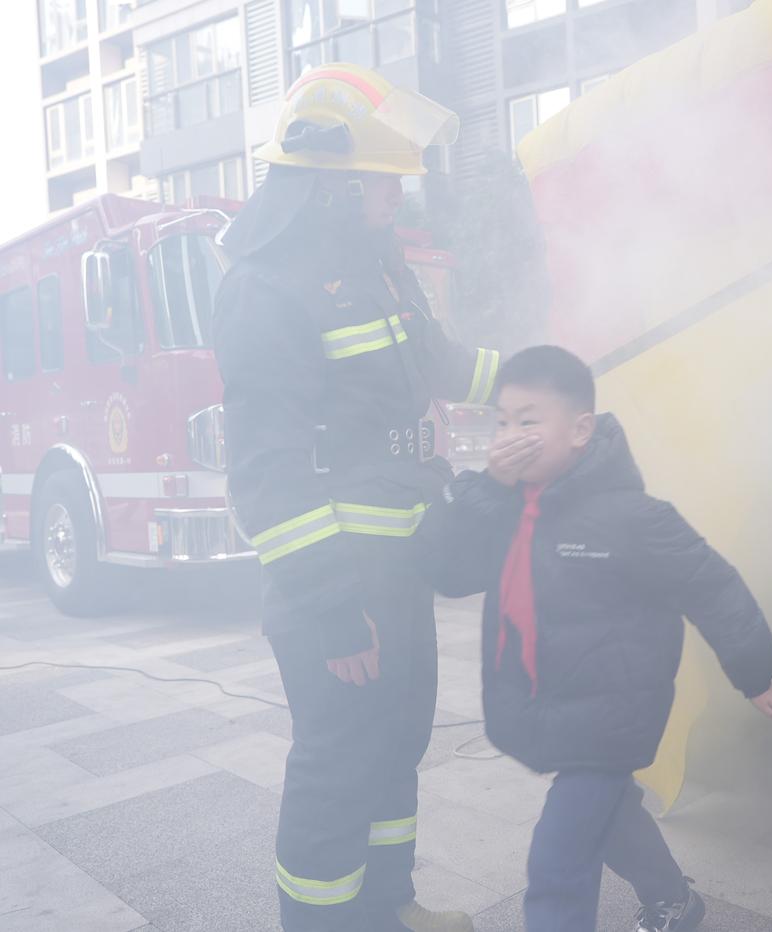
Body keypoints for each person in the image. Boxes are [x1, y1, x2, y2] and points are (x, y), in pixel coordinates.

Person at [213, 63, 501, 932]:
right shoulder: (263, 287)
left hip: (401, 562)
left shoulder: (377, 264)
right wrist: (334, 611)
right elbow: (268, 471)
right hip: (338, 584)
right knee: (338, 768)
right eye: (384, 178)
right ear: (331, 183)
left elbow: (437, 362)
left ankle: (388, 906)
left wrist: (538, 380)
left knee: (397, 745)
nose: (398, 194)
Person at [411, 346, 772, 932]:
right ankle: (673, 899)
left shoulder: (632, 516)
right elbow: (446, 571)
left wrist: (754, 670)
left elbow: (712, 585)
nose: (511, 437)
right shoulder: (508, 509)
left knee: (558, 860)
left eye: (529, 421)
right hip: (553, 707)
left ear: (581, 429)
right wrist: (485, 489)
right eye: (502, 422)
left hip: (615, 713)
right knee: (609, 815)